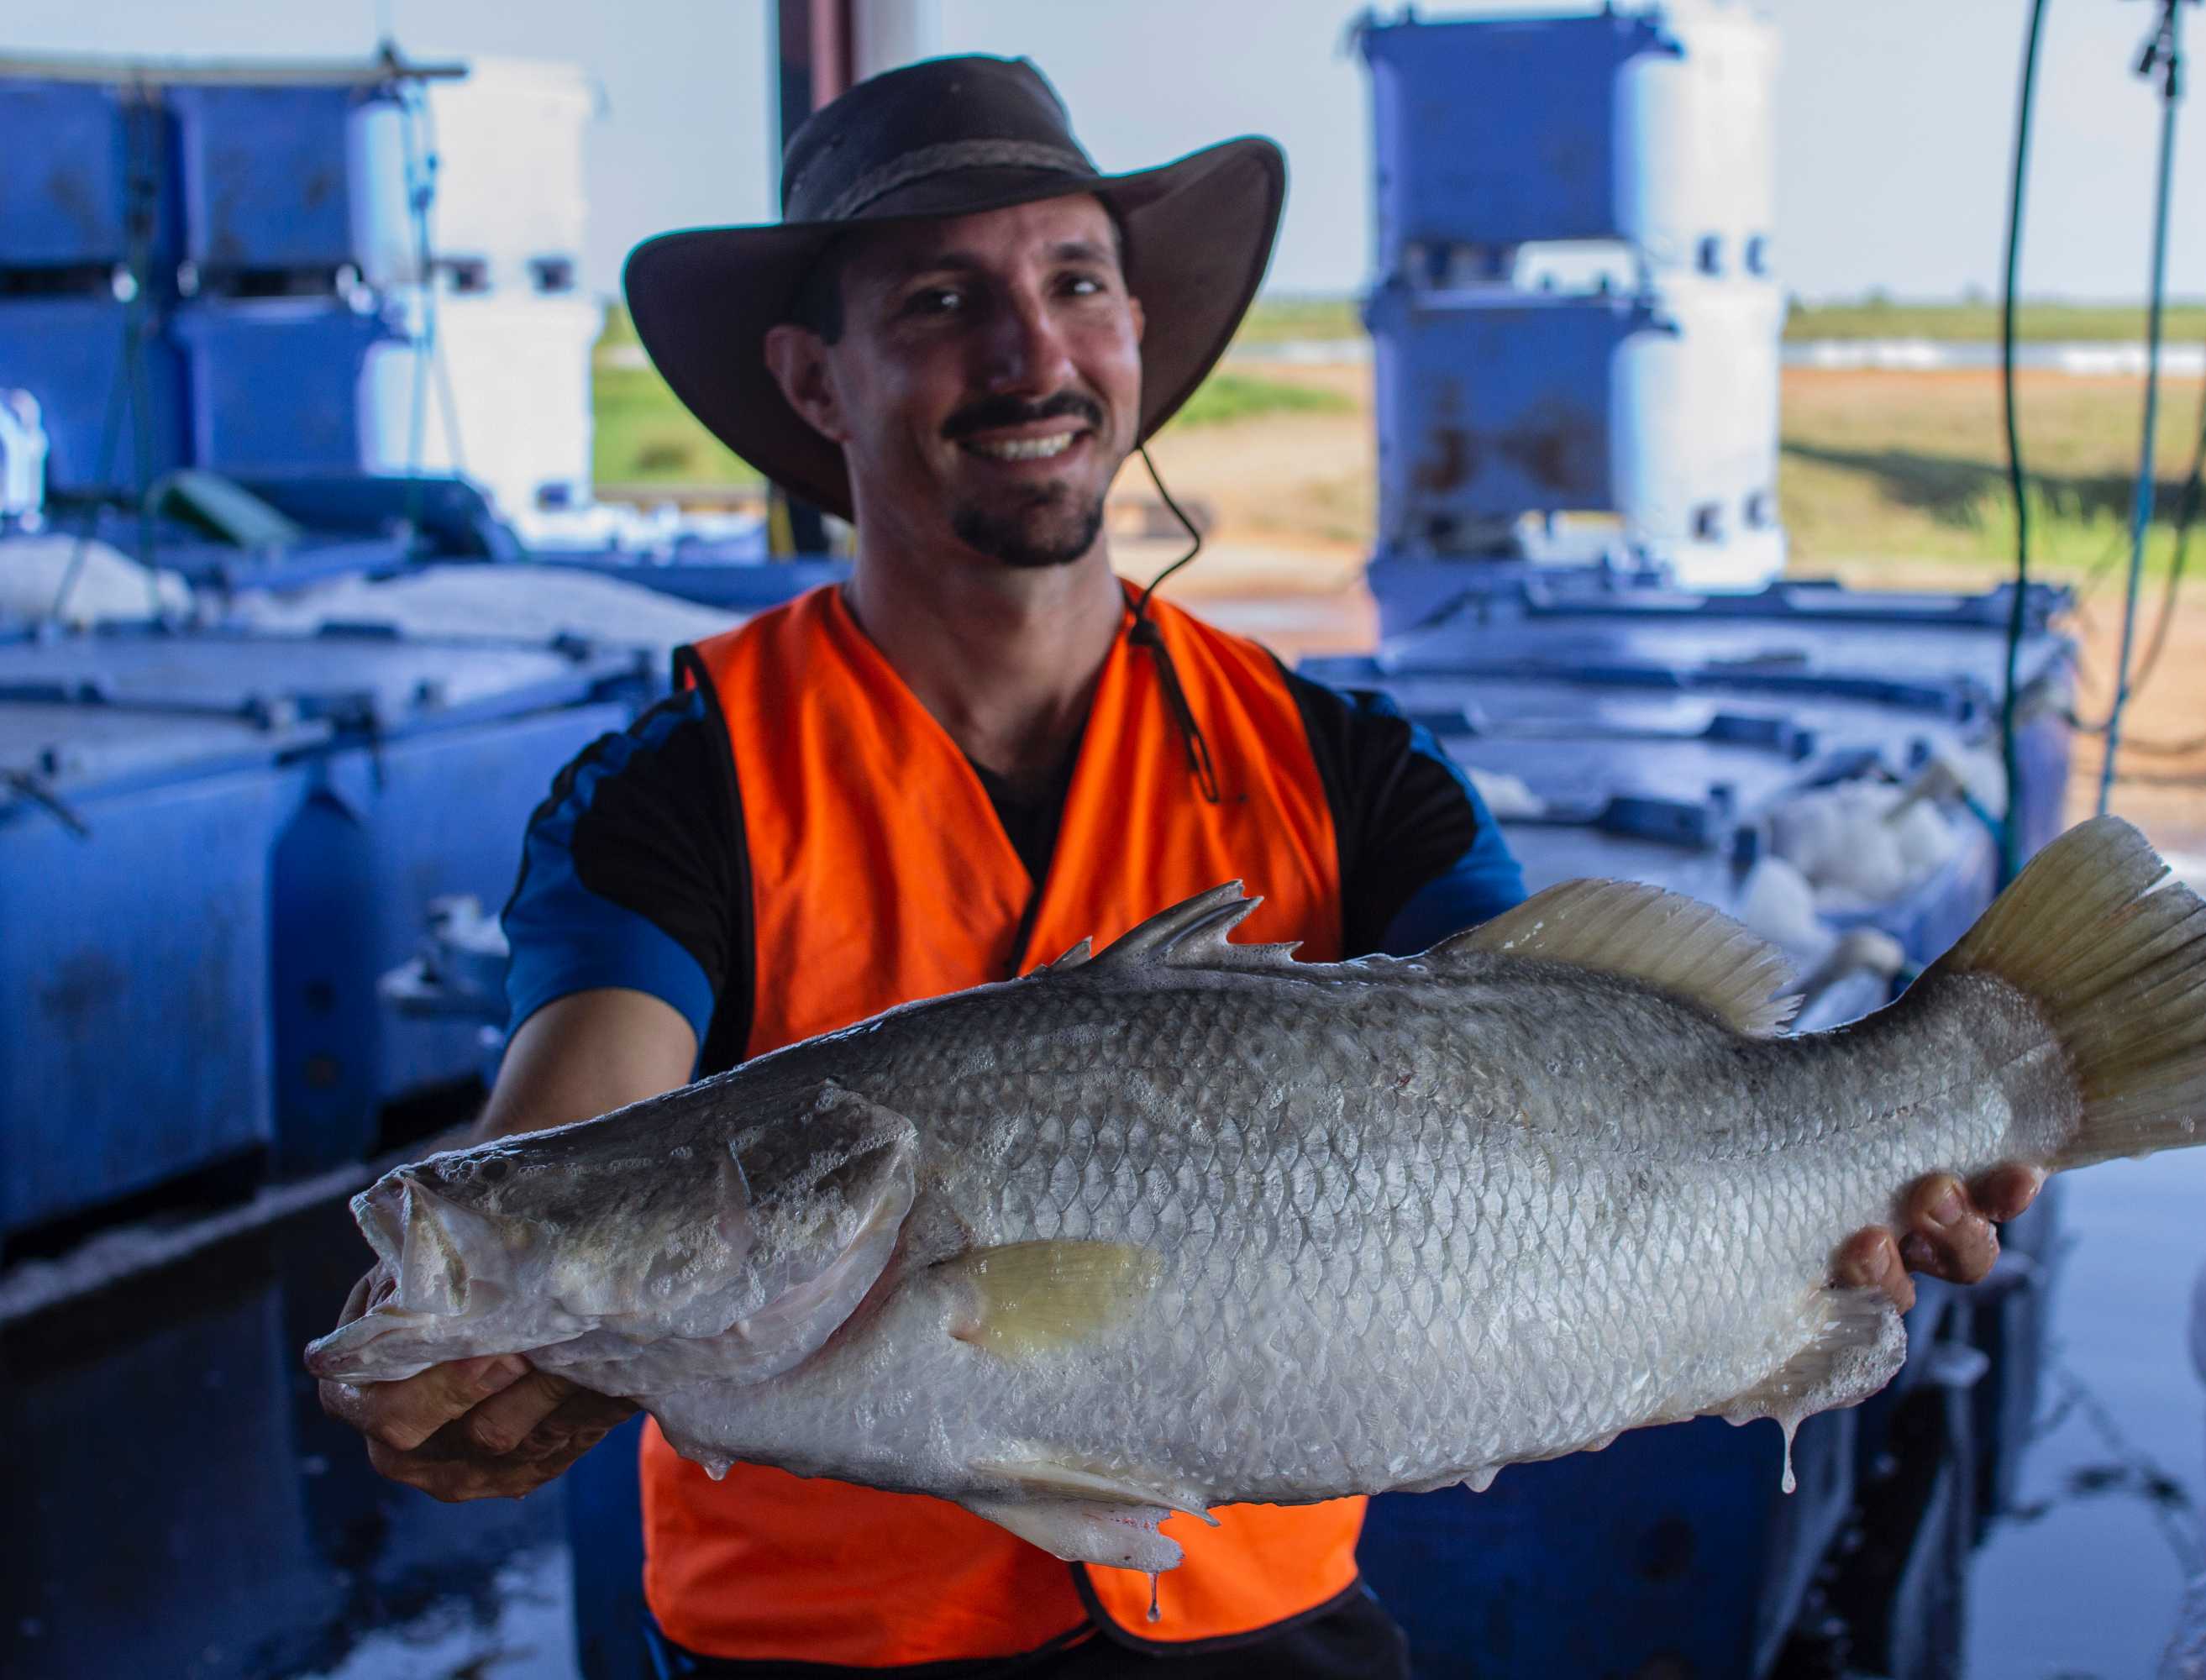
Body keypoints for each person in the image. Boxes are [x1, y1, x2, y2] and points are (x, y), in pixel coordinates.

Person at [317, 54, 2041, 1679]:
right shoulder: (678, 785)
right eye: (937, 301)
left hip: (1267, 1645)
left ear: (1135, 330)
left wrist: (1853, 1185)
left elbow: (1567, 1086)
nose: (1029, 352)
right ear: (810, 380)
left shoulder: (1349, 767)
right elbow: (583, 1115)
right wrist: (494, 1297)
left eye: (1075, 282)